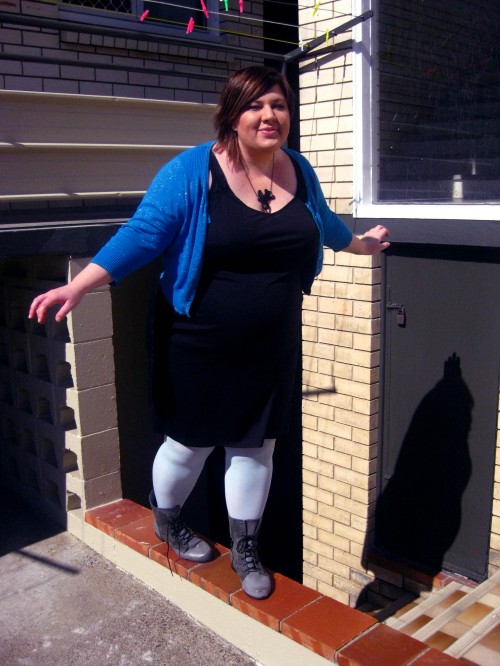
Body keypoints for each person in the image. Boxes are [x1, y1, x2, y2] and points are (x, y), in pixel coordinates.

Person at [29, 65, 389, 600]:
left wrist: (362, 242)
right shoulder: (192, 171)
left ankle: (246, 549)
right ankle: (168, 521)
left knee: (256, 448)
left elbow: (324, 225)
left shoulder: (300, 170)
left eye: (279, 106)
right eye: (255, 106)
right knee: (190, 443)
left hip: (271, 347)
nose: (269, 116)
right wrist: (80, 285)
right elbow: (145, 233)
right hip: (196, 342)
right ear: (232, 114)